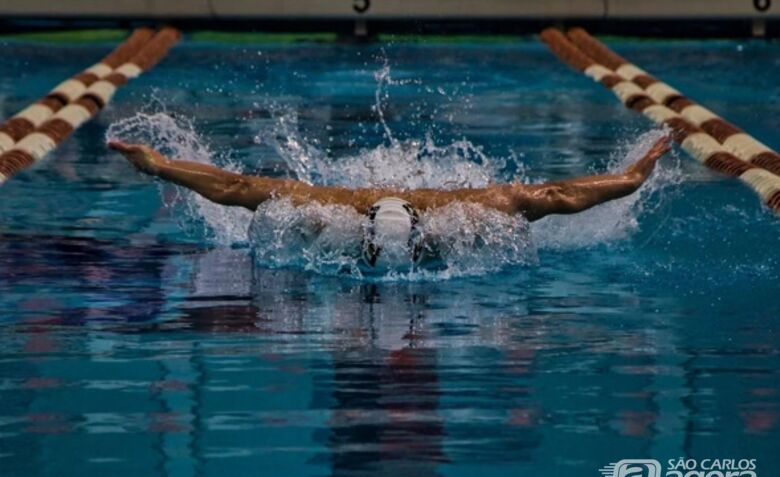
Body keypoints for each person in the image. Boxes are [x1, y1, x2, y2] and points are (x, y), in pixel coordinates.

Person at [109, 136, 672, 268]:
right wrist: (157, 165)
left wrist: (630, 178)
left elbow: (554, 194)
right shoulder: (335, 207)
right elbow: (233, 188)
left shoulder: (472, 207)